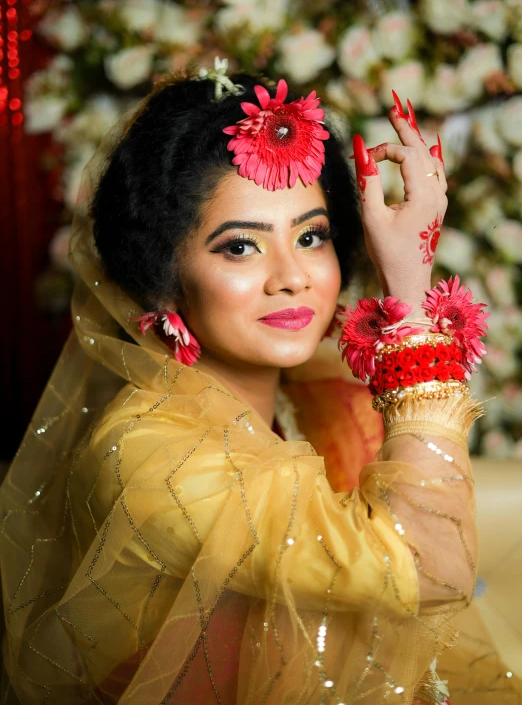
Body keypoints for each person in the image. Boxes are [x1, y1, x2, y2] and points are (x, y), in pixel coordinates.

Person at [0, 61, 519, 705]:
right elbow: (430, 570)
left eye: (311, 236)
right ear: (162, 278)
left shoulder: (316, 402)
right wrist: (410, 310)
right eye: (240, 247)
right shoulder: (152, 455)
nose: (291, 276)